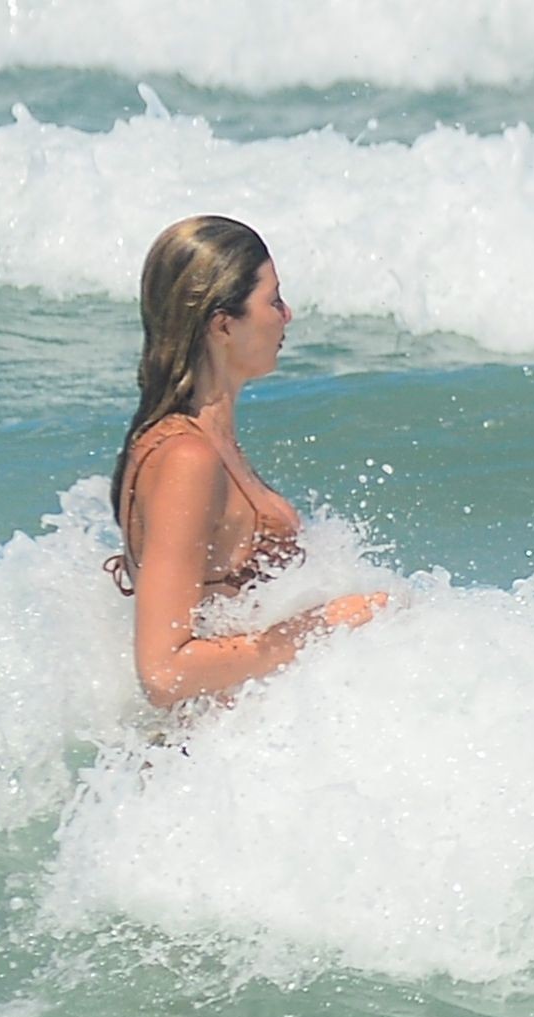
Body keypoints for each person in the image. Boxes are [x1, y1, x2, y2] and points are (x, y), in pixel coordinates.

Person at [103, 216, 385, 707]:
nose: (287, 314)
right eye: (273, 300)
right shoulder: (186, 458)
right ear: (223, 324)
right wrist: (321, 625)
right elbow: (165, 672)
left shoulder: (208, 442)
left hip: (233, 746)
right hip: (204, 752)